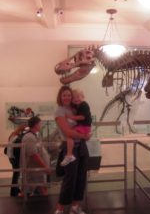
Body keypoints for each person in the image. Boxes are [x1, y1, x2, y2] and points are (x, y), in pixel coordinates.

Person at [54, 85, 91, 214]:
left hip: (81, 146)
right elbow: (67, 132)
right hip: (70, 147)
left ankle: (75, 207)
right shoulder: (60, 111)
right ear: (60, 96)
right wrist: (84, 136)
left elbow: (84, 122)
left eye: (69, 95)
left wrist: (84, 137)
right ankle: (60, 208)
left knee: (81, 177)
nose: (67, 97)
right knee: (70, 178)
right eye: (64, 95)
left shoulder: (75, 109)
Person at [61, 89, 92, 166]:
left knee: (69, 134)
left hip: (84, 127)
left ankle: (69, 155)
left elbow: (82, 117)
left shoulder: (84, 105)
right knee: (69, 134)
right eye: (74, 98)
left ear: (83, 97)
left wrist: (70, 117)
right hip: (83, 127)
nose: (76, 99)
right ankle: (69, 155)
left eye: (78, 97)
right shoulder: (77, 106)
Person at [21, 116, 50, 196]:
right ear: (35, 125)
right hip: (33, 170)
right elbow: (34, 154)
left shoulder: (34, 136)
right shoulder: (29, 137)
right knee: (26, 191)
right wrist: (45, 167)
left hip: (37, 171)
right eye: (39, 124)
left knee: (42, 189)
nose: (41, 125)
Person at [6, 124, 27, 197]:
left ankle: (15, 189)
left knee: (16, 174)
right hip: (14, 158)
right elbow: (17, 150)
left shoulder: (12, 134)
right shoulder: (18, 137)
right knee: (16, 175)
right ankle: (14, 191)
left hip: (11, 157)